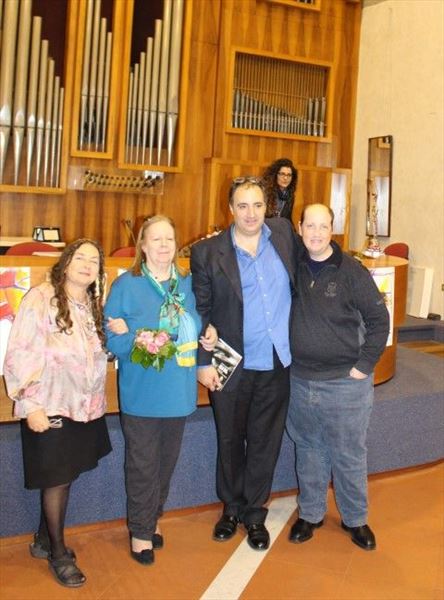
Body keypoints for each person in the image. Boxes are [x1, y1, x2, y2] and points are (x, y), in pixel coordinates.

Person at [190, 176, 296, 551]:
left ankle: (254, 513)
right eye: (243, 205)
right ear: (230, 209)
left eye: (258, 205)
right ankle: (231, 508)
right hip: (230, 362)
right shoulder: (207, 252)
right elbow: (200, 310)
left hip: (277, 360)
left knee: (265, 441)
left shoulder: (284, 235)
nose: (251, 213)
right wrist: (203, 361)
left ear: (267, 207)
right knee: (230, 438)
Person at [104, 215, 216, 566]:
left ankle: (152, 517)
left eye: (169, 238)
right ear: (143, 245)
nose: (164, 245)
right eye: (156, 239)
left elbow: (200, 321)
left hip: (178, 390)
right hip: (142, 391)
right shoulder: (127, 285)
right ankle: (140, 530)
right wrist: (139, 341)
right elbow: (111, 339)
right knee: (142, 465)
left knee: (166, 464)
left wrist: (208, 333)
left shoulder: (188, 282)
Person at [3, 239, 111, 588]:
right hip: (49, 404)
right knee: (58, 479)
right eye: (80, 257)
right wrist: (30, 404)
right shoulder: (41, 298)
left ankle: (42, 539)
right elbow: (20, 352)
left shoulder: (91, 304)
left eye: (94, 261)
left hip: (83, 407)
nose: (87, 264)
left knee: (64, 474)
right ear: (65, 262)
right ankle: (58, 553)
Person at [286, 203, 389, 551]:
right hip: (300, 381)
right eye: (310, 226)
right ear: (300, 228)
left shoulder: (351, 271)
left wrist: (364, 365)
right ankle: (311, 514)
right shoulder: (293, 266)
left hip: (346, 384)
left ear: (333, 229)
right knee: (308, 450)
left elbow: (379, 320)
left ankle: (355, 519)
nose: (316, 233)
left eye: (323, 226)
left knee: (348, 454)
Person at [263, 157, 298, 221]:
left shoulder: (290, 195)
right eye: (282, 174)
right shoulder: (265, 192)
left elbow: (287, 219)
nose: (285, 178)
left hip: (280, 225)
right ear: (275, 175)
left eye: (289, 175)